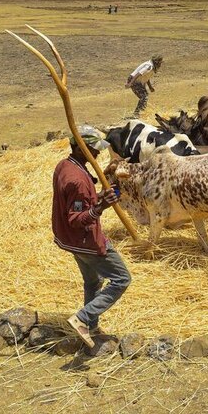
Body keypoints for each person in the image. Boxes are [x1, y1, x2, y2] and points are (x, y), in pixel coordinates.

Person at [52, 125, 131, 348]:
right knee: (122, 279)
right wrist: (100, 207)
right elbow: (75, 218)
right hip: (85, 240)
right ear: (81, 148)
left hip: (69, 240)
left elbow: (77, 203)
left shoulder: (64, 166)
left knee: (93, 281)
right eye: (93, 149)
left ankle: (91, 327)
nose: (97, 153)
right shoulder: (77, 179)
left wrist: (97, 197)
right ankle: (83, 318)